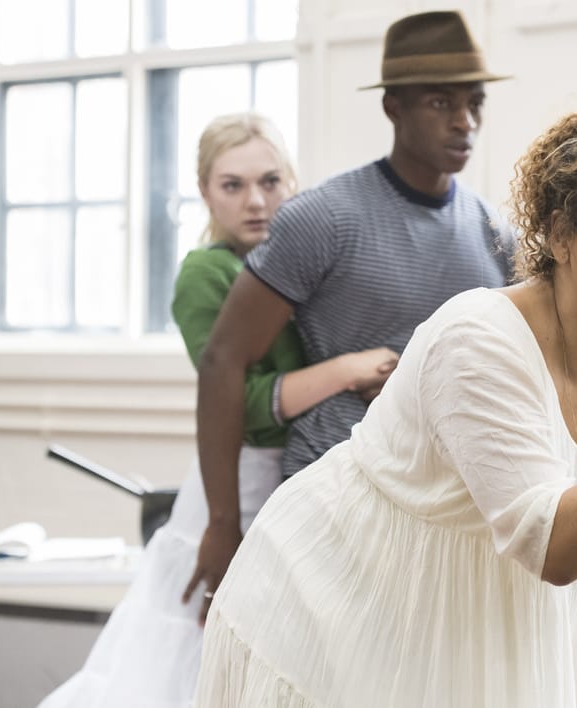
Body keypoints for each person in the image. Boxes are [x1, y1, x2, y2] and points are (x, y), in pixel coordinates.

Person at [191, 101, 577, 707]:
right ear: (560, 235)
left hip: (473, 625)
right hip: (323, 613)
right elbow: (554, 547)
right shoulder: (478, 338)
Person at [38, 111, 397, 708]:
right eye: (233, 185)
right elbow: (247, 404)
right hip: (238, 485)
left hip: (293, 489)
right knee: (193, 671)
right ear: (205, 190)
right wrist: (344, 370)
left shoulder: (295, 267)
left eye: (271, 181)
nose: (256, 201)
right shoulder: (207, 272)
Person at [188, 9, 514, 620]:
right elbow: (223, 359)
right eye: (441, 102)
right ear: (393, 107)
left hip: (450, 505)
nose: (464, 120)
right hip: (338, 493)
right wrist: (222, 524)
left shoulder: (492, 230)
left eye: (474, 102)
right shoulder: (324, 217)